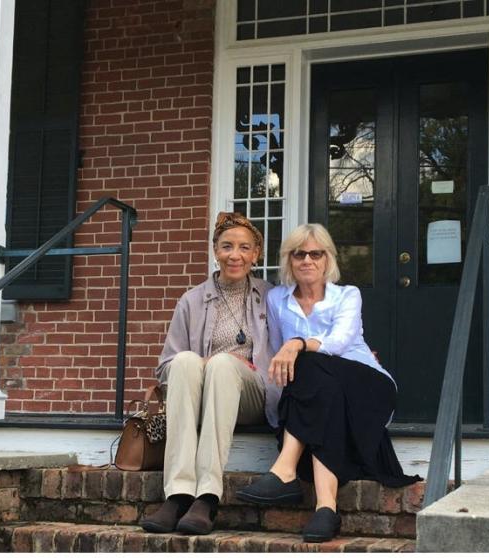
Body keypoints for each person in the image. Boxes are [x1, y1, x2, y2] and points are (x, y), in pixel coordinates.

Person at [236, 223, 420, 543]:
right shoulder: (277, 299)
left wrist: (297, 343)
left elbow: (338, 342)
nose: (307, 260)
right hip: (322, 392)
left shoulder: (347, 295)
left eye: (316, 253)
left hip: (367, 385)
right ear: (289, 260)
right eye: (299, 254)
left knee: (310, 361)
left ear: (328, 259)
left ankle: (285, 469)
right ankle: (325, 508)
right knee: (319, 385)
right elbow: (278, 356)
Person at [139, 212, 281, 535]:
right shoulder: (191, 300)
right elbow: (165, 369)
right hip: (207, 394)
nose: (235, 255)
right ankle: (178, 495)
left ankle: (207, 496)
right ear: (215, 250)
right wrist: (197, 365)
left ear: (256, 254)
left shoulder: (272, 298)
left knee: (222, 363)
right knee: (187, 361)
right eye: (227, 246)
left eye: (244, 248)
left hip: (252, 394)